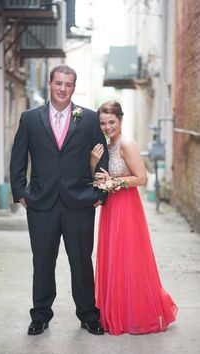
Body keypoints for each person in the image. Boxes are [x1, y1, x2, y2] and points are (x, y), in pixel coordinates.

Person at [10, 65, 109, 336]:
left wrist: (99, 193)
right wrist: (21, 193)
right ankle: (40, 315)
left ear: (73, 87)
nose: (62, 89)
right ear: (50, 85)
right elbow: (18, 158)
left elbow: (103, 159)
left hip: (79, 202)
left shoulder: (89, 118)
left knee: (81, 261)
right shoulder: (30, 118)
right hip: (41, 203)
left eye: (68, 84)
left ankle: (88, 315)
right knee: (42, 261)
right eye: (58, 83)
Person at [91, 100, 178, 335]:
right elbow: (100, 176)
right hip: (111, 207)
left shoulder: (126, 144)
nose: (107, 126)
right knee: (113, 257)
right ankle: (116, 311)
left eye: (111, 122)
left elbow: (142, 178)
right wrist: (93, 164)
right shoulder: (107, 145)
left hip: (127, 207)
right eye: (103, 123)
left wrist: (114, 182)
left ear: (120, 120)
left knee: (128, 257)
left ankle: (134, 314)